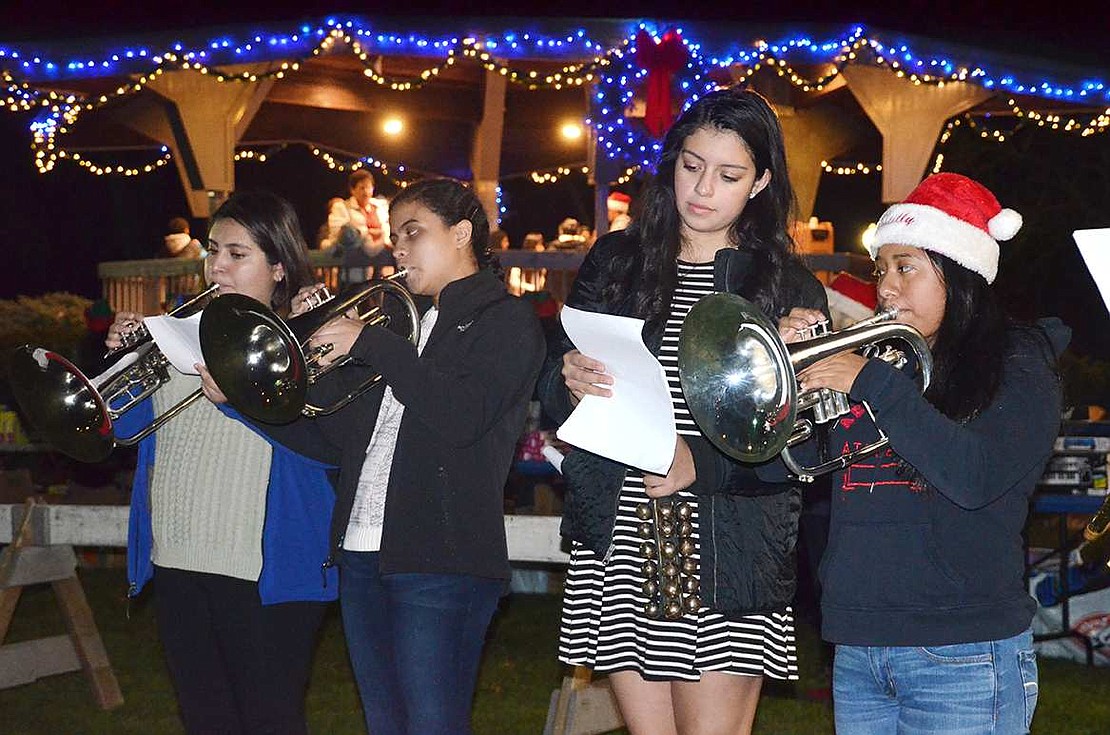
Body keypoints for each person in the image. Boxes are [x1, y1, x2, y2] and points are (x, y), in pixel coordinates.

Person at [207, 177, 546, 734]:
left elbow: (461, 417)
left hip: (443, 556)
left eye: (414, 233)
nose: (399, 248)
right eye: (395, 237)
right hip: (364, 555)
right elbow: (330, 439)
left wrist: (370, 344)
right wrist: (246, 403)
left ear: (462, 233)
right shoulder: (398, 321)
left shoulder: (503, 321)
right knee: (385, 723)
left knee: (432, 724)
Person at [537, 87, 828, 735]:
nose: (703, 188)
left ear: (760, 184)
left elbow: (804, 450)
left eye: (729, 175)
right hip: (622, 541)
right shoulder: (617, 261)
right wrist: (567, 380)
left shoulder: (782, 286)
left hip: (726, 545)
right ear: (670, 162)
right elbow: (554, 395)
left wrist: (701, 464)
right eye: (691, 165)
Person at [774, 172, 1068, 734]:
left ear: (958, 275)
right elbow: (784, 465)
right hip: (859, 647)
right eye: (881, 269)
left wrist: (873, 386)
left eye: (905, 267)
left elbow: (976, 477)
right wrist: (789, 383)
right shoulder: (879, 365)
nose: (885, 288)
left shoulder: (1019, 363)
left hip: (963, 650)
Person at [107, 191, 336, 735]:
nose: (218, 266)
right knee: (204, 717)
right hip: (178, 555)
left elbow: (327, 448)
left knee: (269, 718)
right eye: (214, 251)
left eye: (238, 253)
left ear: (279, 267)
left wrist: (237, 403)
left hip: (262, 567)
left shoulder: (310, 337)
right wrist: (122, 358)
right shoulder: (175, 331)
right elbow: (122, 428)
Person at [324, 168, 394, 283]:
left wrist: (382, 236)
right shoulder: (342, 208)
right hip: (354, 266)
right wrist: (367, 233)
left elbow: (389, 228)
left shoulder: (381, 207)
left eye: (369, 187)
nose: (366, 191)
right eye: (362, 188)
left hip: (382, 263)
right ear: (353, 190)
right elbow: (339, 233)